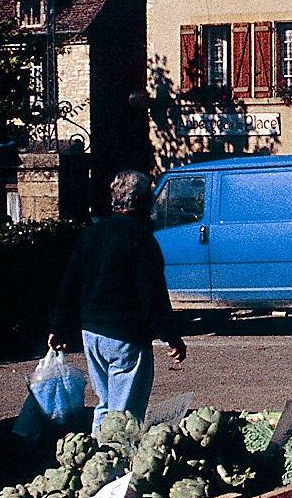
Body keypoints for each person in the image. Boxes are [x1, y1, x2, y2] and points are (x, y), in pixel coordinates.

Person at [48, 170, 188, 429]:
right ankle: (116, 463)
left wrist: (59, 326)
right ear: (137, 201)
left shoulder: (92, 233)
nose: (152, 205)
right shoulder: (141, 239)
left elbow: (70, 282)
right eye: (149, 198)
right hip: (125, 337)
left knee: (105, 403)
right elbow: (153, 294)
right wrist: (171, 336)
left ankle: (96, 457)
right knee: (125, 415)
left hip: (91, 334)